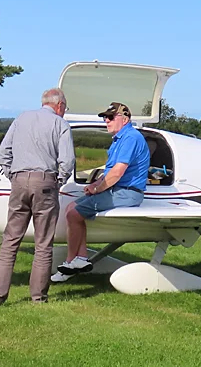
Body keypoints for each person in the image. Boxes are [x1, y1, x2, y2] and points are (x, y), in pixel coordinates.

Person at [0, 88, 76, 306]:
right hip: (45, 181)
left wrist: (13, 175)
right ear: (59, 105)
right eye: (64, 108)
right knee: (43, 243)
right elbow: (67, 161)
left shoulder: (21, 119)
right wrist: (58, 181)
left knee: (10, 240)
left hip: (18, 181)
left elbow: (3, 153)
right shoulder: (60, 124)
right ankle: (38, 297)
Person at [52, 101, 150, 282]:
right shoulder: (119, 140)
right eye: (105, 117)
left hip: (127, 192)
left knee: (74, 214)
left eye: (110, 117)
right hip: (119, 189)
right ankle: (80, 259)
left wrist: (97, 188)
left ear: (125, 119)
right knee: (71, 208)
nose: (106, 120)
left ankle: (70, 262)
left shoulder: (130, 138)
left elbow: (117, 173)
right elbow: (108, 173)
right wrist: (94, 185)